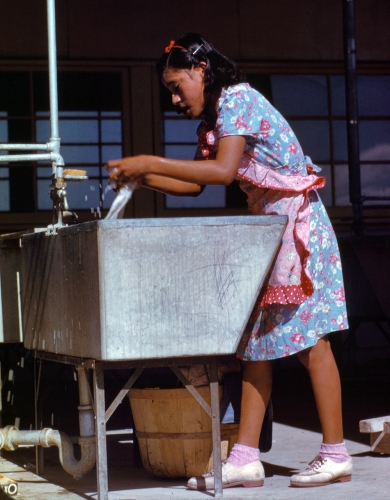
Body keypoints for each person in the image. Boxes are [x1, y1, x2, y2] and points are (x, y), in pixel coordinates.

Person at [106, 33, 352, 490]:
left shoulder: (238, 99)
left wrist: (146, 159)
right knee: (256, 346)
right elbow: (196, 185)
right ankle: (245, 457)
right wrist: (146, 179)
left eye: (178, 86)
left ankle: (336, 453)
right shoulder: (216, 121)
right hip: (270, 236)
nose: (175, 99)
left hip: (299, 232)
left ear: (202, 71)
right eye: (170, 93)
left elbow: (220, 172)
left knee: (310, 342)